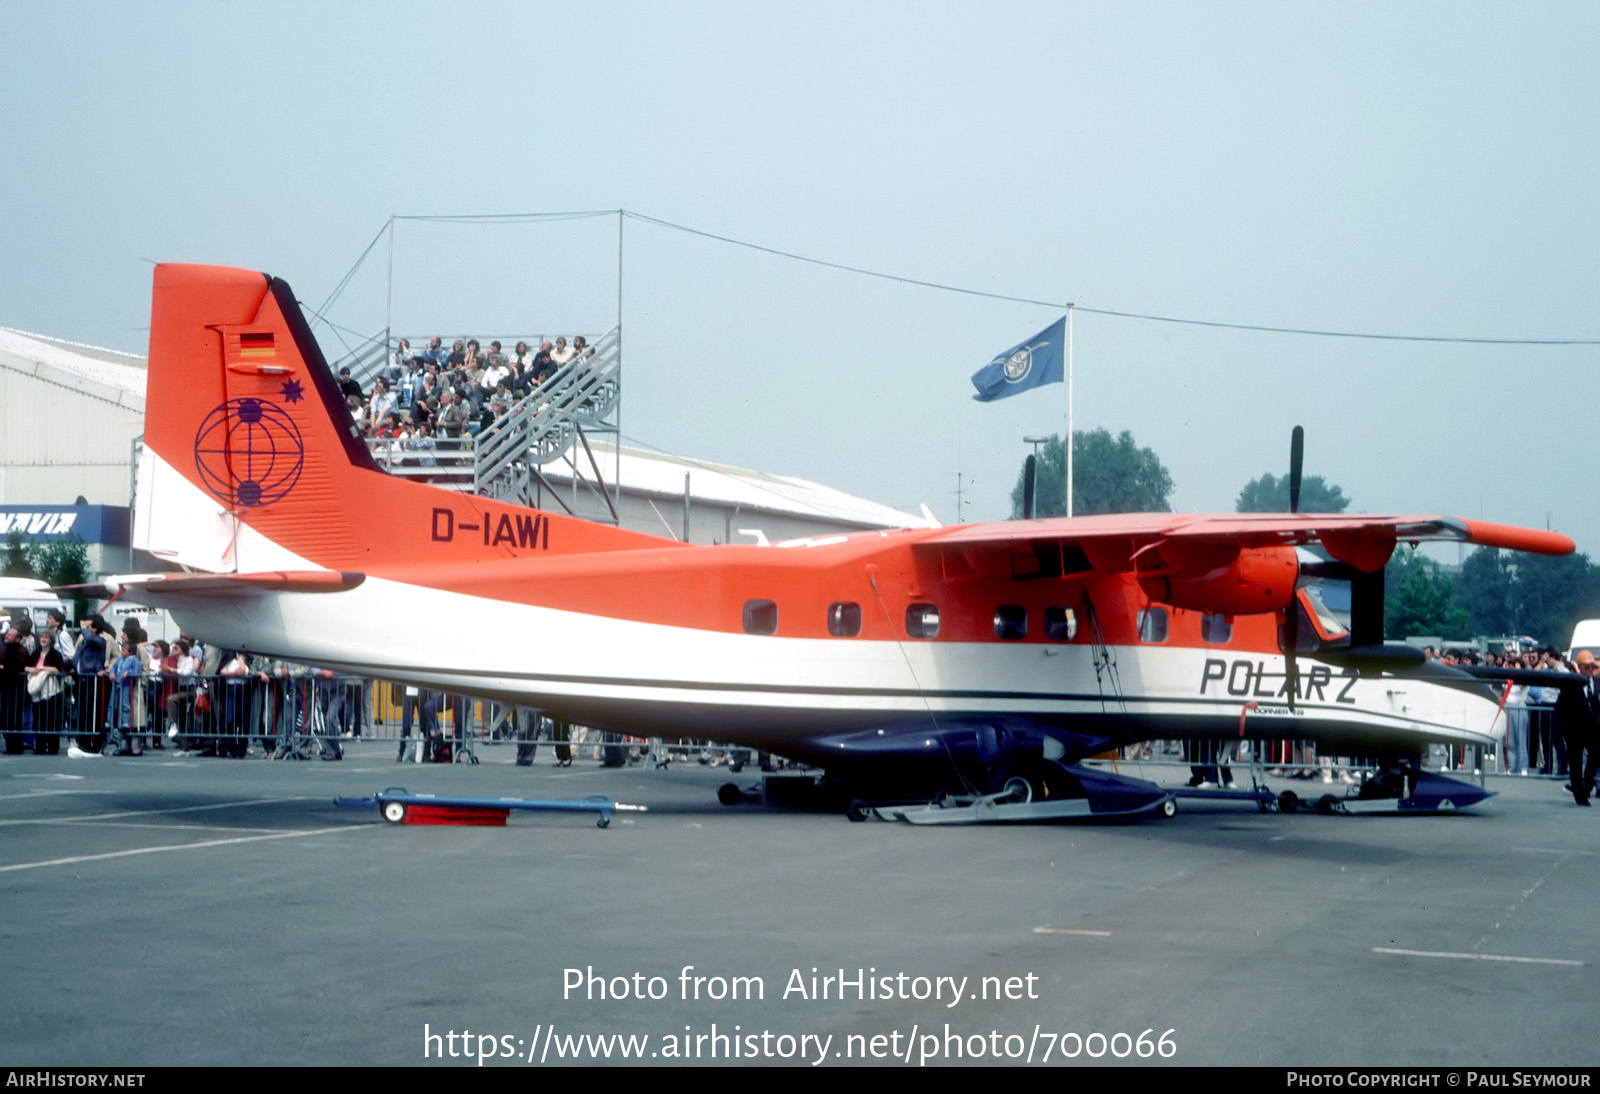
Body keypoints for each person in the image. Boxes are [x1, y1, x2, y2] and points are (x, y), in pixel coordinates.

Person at [1561, 651, 1600, 805]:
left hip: (1593, 728)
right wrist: (1565, 728)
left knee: (1596, 755)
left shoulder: (1596, 683)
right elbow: (1561, 707)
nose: (1590, 670)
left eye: (1593, 667)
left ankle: (1587, 785)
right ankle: (1580, 795)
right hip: (1575, 729)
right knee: (1575, 762)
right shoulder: (1571, 683)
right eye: (1587, 667)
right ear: (1580, 667)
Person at [26, 628, 68, 754]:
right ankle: (39, 746)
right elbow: (27, 665)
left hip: (51, 690)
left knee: (51, 718)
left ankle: (53, 746)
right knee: (38, 718)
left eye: (46, 638)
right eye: (42, 637)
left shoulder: (55, 654)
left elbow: (58, 669)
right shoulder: (35, 653)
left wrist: (43, 668)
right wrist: (30, 669)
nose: (43, 640)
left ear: (51, 640)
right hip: (37, 690)